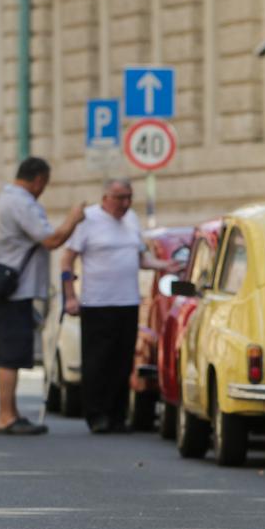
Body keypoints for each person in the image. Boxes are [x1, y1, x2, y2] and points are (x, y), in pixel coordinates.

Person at [61, 179, 177, 433]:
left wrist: (164, 266)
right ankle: (97, 415)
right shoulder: (88, 219)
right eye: (120, 198)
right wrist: (70, 296)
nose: (125, 203)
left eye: (129, 198)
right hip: (97, 302)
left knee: (122, 361)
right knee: (98, 361)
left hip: (127, 300)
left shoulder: (132, 219)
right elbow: (67, 260)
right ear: (106, 197)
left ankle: (117, 415)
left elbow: (139, 259)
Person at [0, 157, 85, 436]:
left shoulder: (2, 199)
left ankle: (11, 413)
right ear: (39, 179)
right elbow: (51, 240)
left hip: (7, 287)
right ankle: (5, 416)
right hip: (16, 291)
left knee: (12, 354)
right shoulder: (22, 203)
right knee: (11, 356)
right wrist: (73, 219)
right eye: (45, 183)